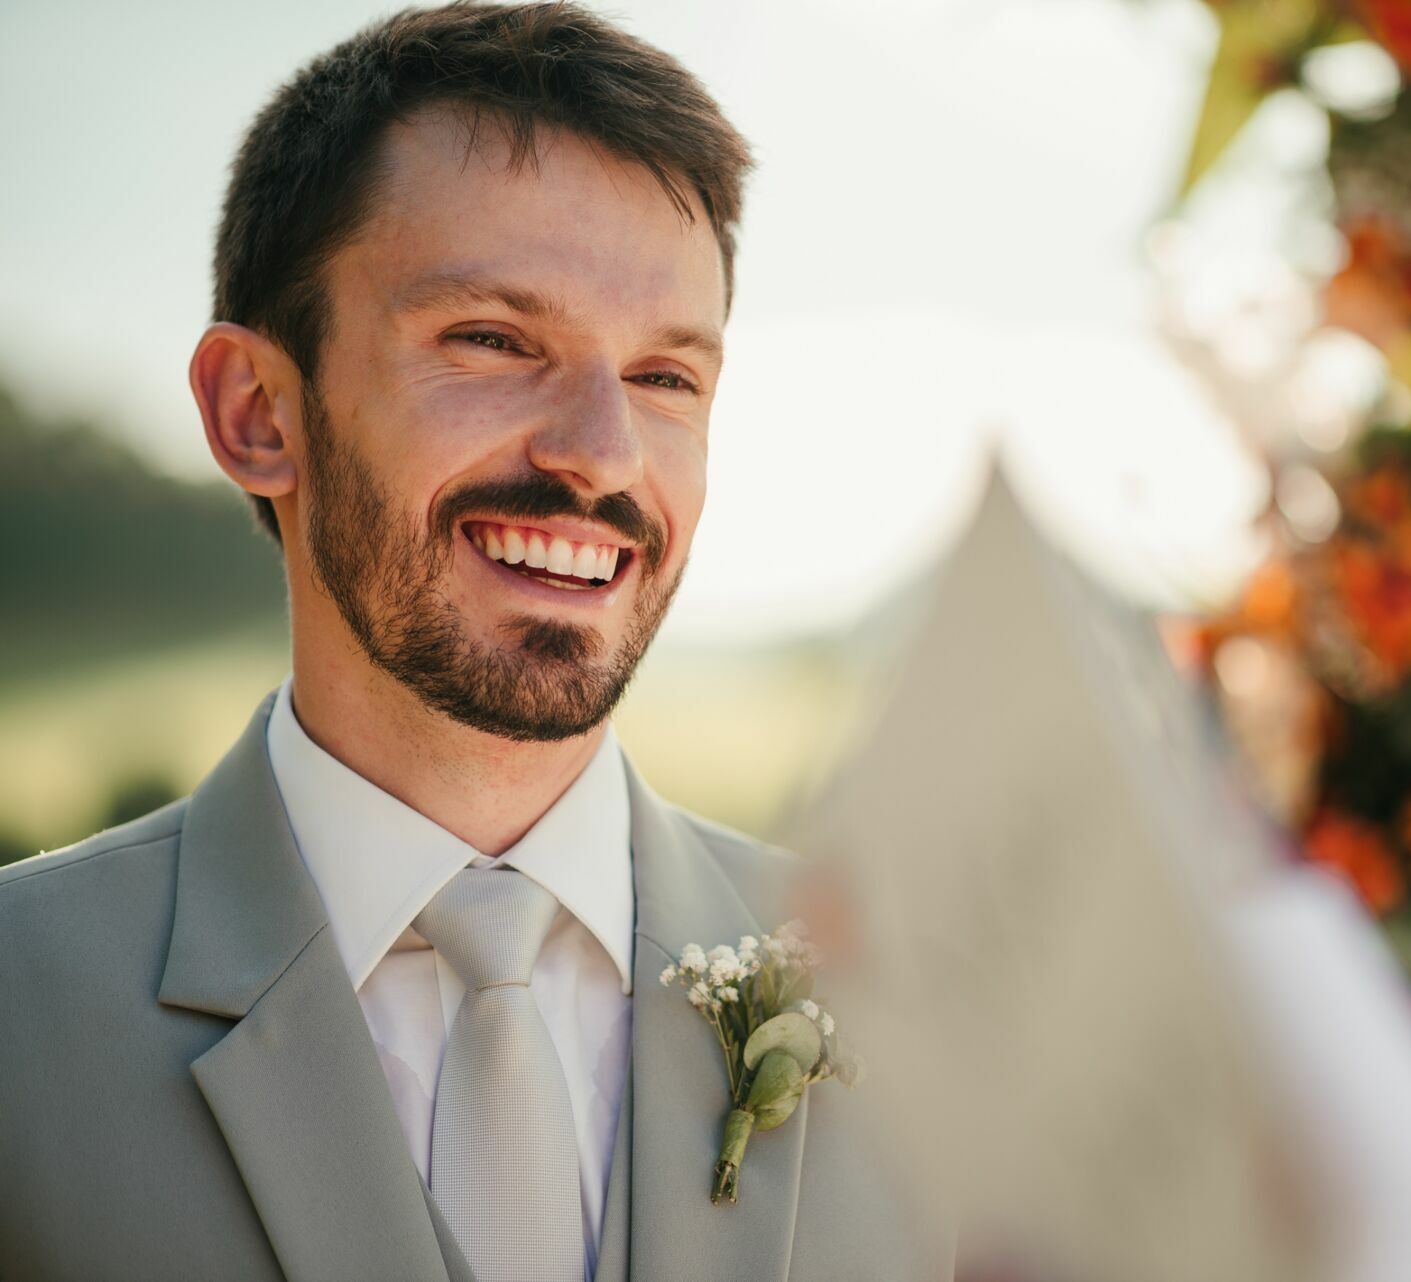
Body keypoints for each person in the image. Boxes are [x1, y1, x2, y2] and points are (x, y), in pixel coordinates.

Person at [0, 5, 948, 1280]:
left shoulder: (924, 1003)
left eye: (668, 377)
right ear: (257, 413)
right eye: (495, 341)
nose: (603, 455)